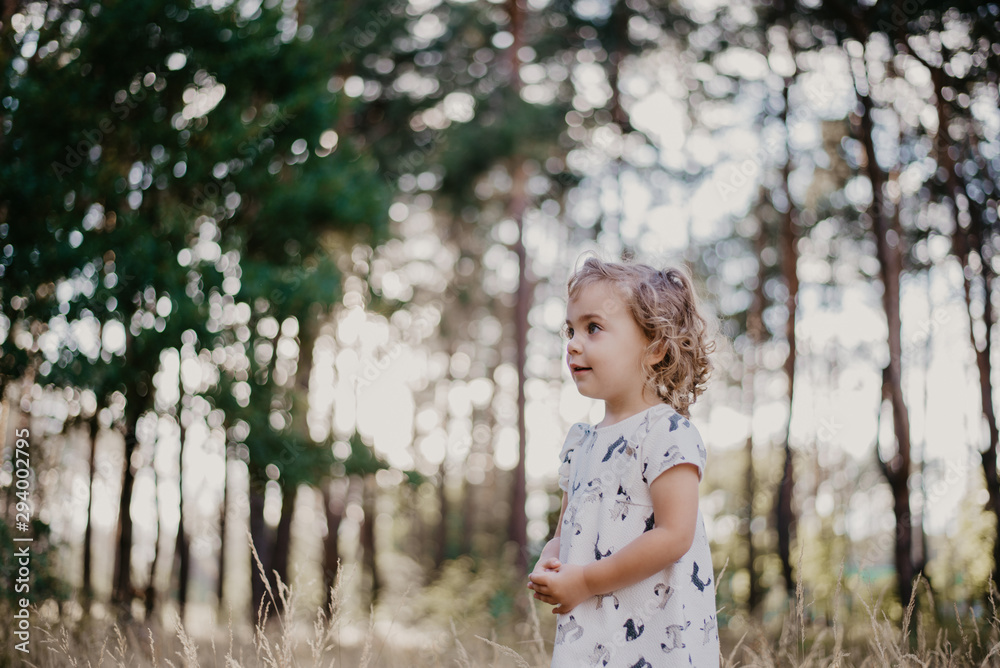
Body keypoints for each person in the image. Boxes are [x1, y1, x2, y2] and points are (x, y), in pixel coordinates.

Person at [527, 257, 720, 667]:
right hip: (591, 641)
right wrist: (552, 560)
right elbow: (567, 531)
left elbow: (673, 535)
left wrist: (585, 580)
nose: (573, 343)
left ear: (655, 348)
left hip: (655, 645)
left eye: (593, 328)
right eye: (571, 329)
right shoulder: (581, 443)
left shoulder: (665, 433)